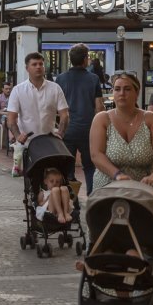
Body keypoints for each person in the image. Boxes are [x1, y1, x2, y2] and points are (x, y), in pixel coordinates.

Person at [90, 71, 153, 192]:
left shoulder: (150, 119)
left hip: (144, 186)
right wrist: (117, 175)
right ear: (113, 93)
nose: (122, 93)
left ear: (136, 93)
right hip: (108, 184)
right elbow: (96, 154)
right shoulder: (102, 119)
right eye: (117, 89)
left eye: (127, 89)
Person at [55, 44, 104, 194]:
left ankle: (71, 201)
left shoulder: (60, 79)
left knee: (67, 168)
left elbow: (55, 107)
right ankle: (91, 198)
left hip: (67, 130)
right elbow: (99, 107)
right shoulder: (94, 79)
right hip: (88, 130)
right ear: (84, 59)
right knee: (90, 167)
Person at [6, 53, 69, 148]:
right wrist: (18, 136)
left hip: (49, 142)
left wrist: (60, 133)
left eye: (41, 64)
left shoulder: (55, 88)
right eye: (34, 64)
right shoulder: (18, 90)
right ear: (27, 68)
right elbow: (11, 119)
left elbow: (64, 115)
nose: (38, 67)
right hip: (26, 144)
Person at [0, 81, 13, 146]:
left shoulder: (13, 97)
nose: (8, 90)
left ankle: (14, 141)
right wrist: (6, 113)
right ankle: (11, 140)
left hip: (13, 116)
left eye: (9, 89)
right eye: (6, 89)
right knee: (10, 121)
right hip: (3, 117)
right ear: (2, 89)